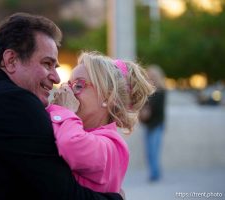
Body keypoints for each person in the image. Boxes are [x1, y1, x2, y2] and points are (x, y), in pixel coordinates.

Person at [0, 13, 124, 200]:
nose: (56, 78)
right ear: (11, 60)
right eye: (47, 64)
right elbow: (62, 194)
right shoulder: (13, 102)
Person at [47, 51, 155, 195]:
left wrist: (65, 112)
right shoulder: (71, 126)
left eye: (78, 85)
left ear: (108, 97)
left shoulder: (112, 145)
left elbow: (71, 145)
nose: (67, 91)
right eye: (68, 84)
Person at [139, 65, 166, 182]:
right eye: (149, 75)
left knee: (154, 150)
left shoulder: (161, 91)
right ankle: (154, 172)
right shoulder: (148, 91)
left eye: (153, 75)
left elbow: (153, 108)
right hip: (148, 125)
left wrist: (146, 111)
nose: (151, 77)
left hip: (157, 125)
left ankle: (155, 174)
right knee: (149, 151)